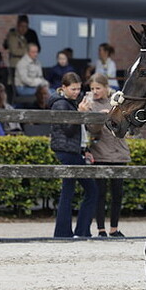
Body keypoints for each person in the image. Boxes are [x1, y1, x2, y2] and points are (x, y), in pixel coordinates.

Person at [48, 72, 98, 238]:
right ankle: (76, 231)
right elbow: (68, 130)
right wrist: (80, 113)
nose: (77, 92)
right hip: (67, 151)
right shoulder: (61, 104)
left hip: (73, 151)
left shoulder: (68, 102)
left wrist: (84, 150)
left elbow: (77, 133)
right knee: (88, 191)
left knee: (70, 192)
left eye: (78, 89)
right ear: (64, 88)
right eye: (73, 89)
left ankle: (69, 232)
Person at [84, 73, 130, 238]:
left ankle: (114, 228)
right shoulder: (89, 104)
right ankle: (101, 229)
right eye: (92, 88)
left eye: (98, 88)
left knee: (117, 194)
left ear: (105, 87)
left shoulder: (117, 102)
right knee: (100, 193)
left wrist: (112, 112)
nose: (95, 91)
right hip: (100, 153)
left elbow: (127, 124)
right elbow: (92, 129)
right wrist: (101, 117)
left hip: (119, 153)